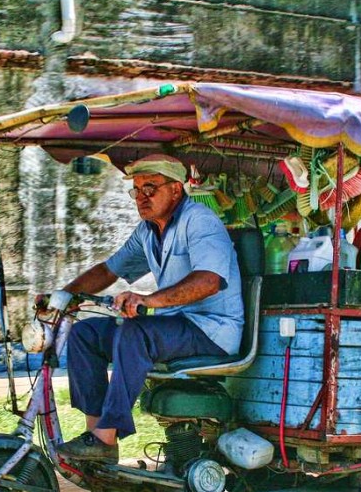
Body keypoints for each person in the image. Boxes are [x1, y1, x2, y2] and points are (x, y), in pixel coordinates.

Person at [56, 154, 243, 463]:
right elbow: (109, 270)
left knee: (134, 333)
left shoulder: (200, 221)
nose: (141, 197)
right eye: (137, 190)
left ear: (176, 190)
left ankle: (106, 436)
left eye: (150, 188)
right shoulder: (148, 231)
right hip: (175, 327)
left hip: (212, 329)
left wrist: (148, 299)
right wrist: (62, 296)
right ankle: (97, 439)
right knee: (85, 333)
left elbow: (210, 281)